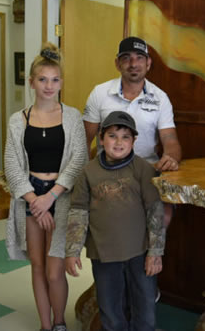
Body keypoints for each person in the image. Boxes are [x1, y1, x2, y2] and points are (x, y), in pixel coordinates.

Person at [4, 42, 88, 331]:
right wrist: (34, 200)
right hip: (30, 197)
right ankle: (45, 325)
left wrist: (50, 196)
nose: (48, 86)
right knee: (37, 266)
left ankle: (59, 321)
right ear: (31, 82)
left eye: (54, 80)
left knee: (55, 270)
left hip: (61, 196)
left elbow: (79, 160)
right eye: (42, 80)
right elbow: (12, 165)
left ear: (61, 82)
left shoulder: (73, 117)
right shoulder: (18, 120)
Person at [65, 111, 165, 331]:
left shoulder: (143, 169)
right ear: (101, 138)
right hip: (103, 255)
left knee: (145, 310)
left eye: (125, 137)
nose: (118, 142)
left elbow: (155, 211)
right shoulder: (88, 173)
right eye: (112, 135)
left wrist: (155, 252)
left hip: (140, 253)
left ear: (134, 141)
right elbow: (78, 212)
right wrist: (72, 251)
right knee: (110, 312)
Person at [83, 36, 181, 229]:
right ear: (117, 63)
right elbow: (83, 141)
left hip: (146, 172)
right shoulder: (99, 93)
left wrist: (171, 157)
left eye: (139, 57)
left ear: (148, 63)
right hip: (107, 172)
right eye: (126, 58)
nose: (133, 64)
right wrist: (88, 179)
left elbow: (171, 141)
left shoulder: (160, 98)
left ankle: (152, 257)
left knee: (165, 212)